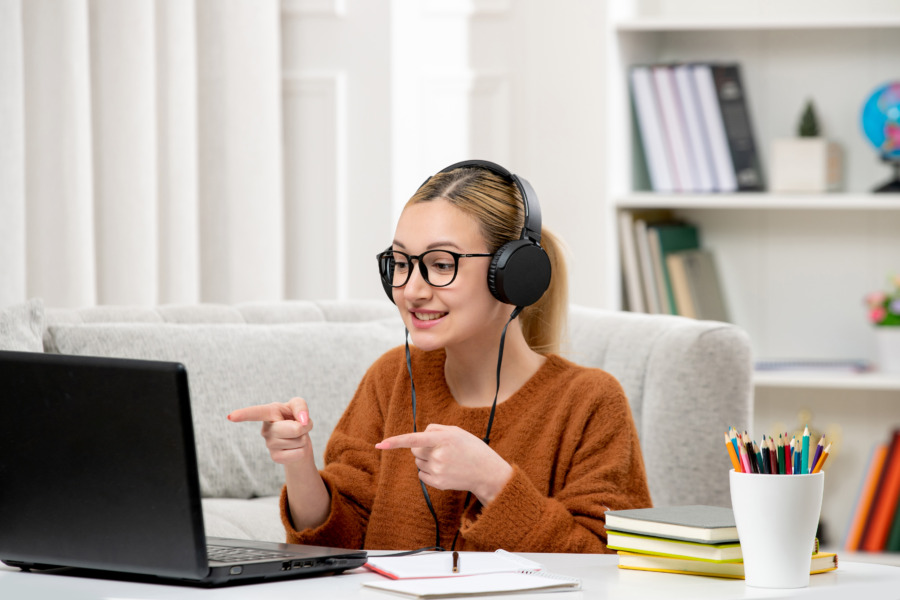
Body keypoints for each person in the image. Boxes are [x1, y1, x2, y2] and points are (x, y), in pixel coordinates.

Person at [228, 161, 652, 553]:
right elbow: (338, 547)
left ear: (513, 275)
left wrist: (493, 481)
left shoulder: (591, 402)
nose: (412, 290)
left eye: (441, 264)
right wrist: (299, 463)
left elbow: (610, 564)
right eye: (400, 263)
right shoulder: (392, 377)